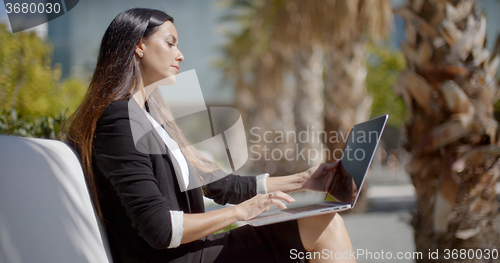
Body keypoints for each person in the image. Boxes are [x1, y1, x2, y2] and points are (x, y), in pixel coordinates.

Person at [66, 8, 355, 263]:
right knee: (324, 227)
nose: (180, 54)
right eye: (170, 43)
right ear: (139, 46)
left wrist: (303, 181)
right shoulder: (118, 119)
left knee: (323, 223)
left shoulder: (150, 117)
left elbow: (220, 185)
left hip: (191, 250)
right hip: (178, 257)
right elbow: (160, 229)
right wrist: (239, 214)